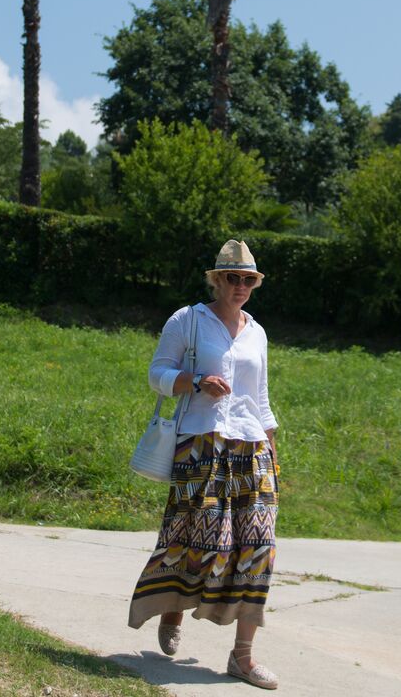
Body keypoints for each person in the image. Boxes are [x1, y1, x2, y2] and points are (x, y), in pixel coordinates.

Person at [127, 239, 281, 690]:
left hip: (252, 448)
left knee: (259, 547)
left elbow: (261, 398)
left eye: (248, 279)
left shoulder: (257, 332)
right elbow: (157, 373)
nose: (240, 286)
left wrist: (273, 451)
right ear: (216, 280)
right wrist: (195, 381)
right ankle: (174, 606)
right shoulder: (188, 320)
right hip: (201, 444)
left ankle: (243, 657)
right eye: (231, 277)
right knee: (204, 540)